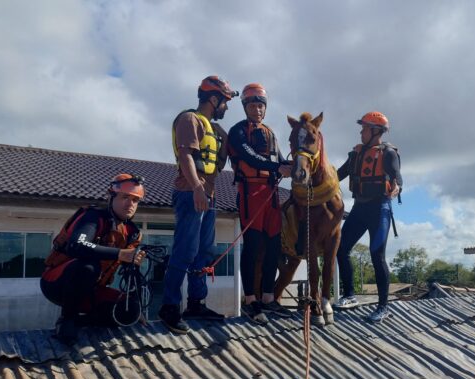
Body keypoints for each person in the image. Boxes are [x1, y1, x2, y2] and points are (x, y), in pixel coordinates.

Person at [159, 75, 237, 334]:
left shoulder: (215, 129)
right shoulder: (189, 119)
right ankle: (170, 307)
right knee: (186, 249)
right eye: (225, 102)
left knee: (204, 252)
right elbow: (186, 156)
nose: (226, 107)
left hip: (209, 195)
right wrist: (197, 189)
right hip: (190, 193)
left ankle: (196, 302)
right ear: (213, 99)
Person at [41, 174, 148, 344]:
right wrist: (120, 254)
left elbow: (130, 276)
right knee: (88, 267)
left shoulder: (132, 232)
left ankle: (82, 321)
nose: (130, 204)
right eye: (125, 197)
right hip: (58, 282)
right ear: (111, 197)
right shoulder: (93, 217)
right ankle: (67, 320)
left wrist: (135, 307)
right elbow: (77, 245)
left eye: (135, 200)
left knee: (130, 311)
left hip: (92, 289)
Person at [228, 83, 293, 324]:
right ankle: (250, 301)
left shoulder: (270, 132)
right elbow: (248, 156)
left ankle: (268, 298)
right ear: (245, 107)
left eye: (260, 106)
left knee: (273, 246)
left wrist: (295, 165)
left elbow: (280, 159)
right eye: (253, 105)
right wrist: (278, 167)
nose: (257, 110)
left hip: (272, 194)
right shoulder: (238, 131)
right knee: (253, 246)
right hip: (250, 192)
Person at [335, 111, 402, 323]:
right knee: (341, 248)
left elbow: (398, 179)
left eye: (364, 128)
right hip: (360, 208)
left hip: (380, 209)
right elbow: (338, 175)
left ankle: (383, 307)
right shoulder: (356, 154)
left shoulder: (388, 153)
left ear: (375, 131)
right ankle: (350, 295)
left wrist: (397, 188)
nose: (361, 132)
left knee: (376, 255)